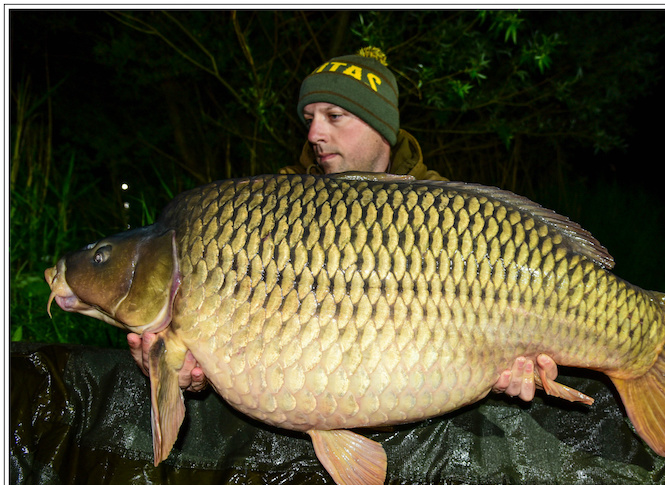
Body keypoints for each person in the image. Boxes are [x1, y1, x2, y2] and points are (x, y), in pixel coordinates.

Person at [128, 47, 557, 404]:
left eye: (333, 116)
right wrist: (195, 372)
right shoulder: (270, 208)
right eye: (310, 117)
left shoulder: (451, 211)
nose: (314, 132)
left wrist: (517, 368)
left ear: (380, 126)